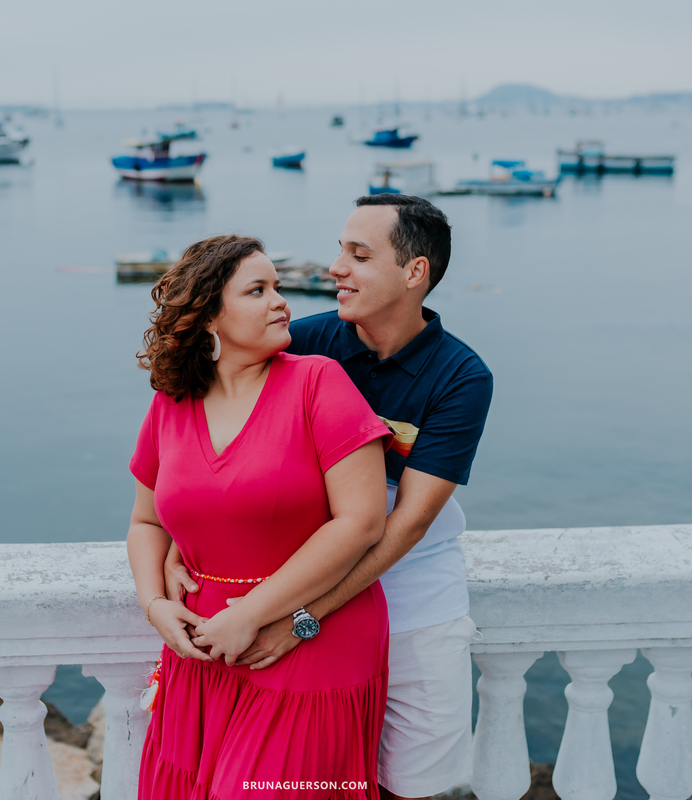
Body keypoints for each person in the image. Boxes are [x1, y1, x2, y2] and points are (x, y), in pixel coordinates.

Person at [167, 196, 493, 800]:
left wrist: (304, 619)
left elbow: (404, 525)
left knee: (417, 786)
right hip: (302, 591)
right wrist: (175, 541)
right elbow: (206, 437)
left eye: (358, 255)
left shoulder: (460, 376)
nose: (334, 268)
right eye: (340, 249)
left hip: (413, 602)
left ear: (414, 272)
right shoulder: (307, 343)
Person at [127, 234, 392, 799]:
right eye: (258, 290)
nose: (281, 301)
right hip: (202, 647)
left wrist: (253, 613)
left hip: (308, 635)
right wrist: (155, 607)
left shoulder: (319, 381)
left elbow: (362, 522)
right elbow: (146, 523)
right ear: (208, 317)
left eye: (276, 287)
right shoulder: (172, 402)